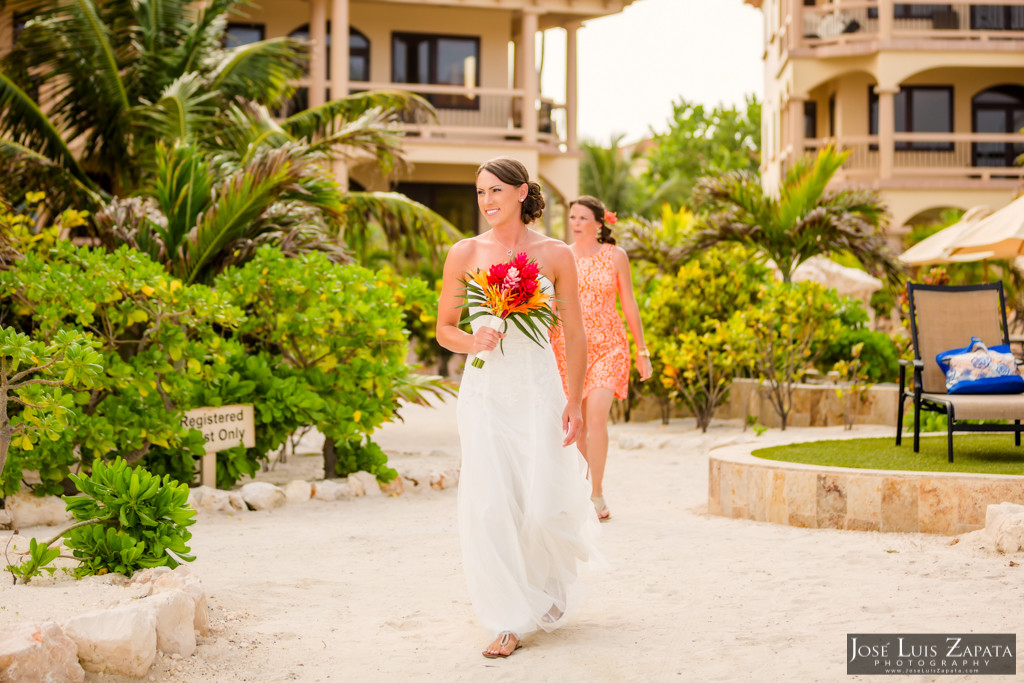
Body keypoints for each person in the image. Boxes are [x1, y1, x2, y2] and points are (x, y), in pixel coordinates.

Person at [435, 158, 600, 658]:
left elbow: (574, 332)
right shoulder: (464, 253)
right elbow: (445, 329)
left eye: (495, 191)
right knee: (491, 502)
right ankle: (506, 618)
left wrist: (573, 400)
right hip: (485, 394)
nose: (486, 201)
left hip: (539, 389)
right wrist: (473, 339)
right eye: (480, 192)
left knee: (540, 495)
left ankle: (547, 592)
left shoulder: (556, 255)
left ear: (522, 192)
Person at [551, 196, 653, 522]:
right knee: (576, 425)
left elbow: (630, 305)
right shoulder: (561, 255)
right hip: (568, 347)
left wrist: (642, 350)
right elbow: (552, 305)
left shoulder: (615, 256)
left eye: (583, 217)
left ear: (599, 223)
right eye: (572, 217)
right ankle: (580, 493)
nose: (576, 223)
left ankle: (596, 493)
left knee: (596, 416)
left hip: (610, 345)